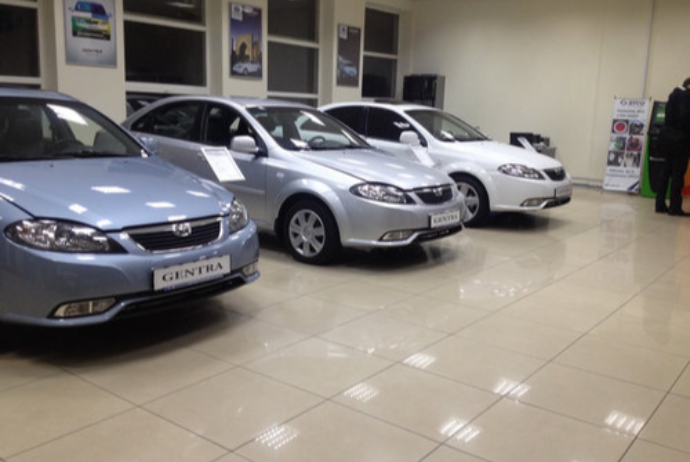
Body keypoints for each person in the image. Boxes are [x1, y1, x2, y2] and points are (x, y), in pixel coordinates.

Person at [656, 77, 690, 216]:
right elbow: (686, 118)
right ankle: (675, 207)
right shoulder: (686, 97)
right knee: (678, 174)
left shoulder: (674, 94)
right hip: (681, 140)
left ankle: (660, 205)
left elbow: (668, 116)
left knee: (665, 172)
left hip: (667, 137)